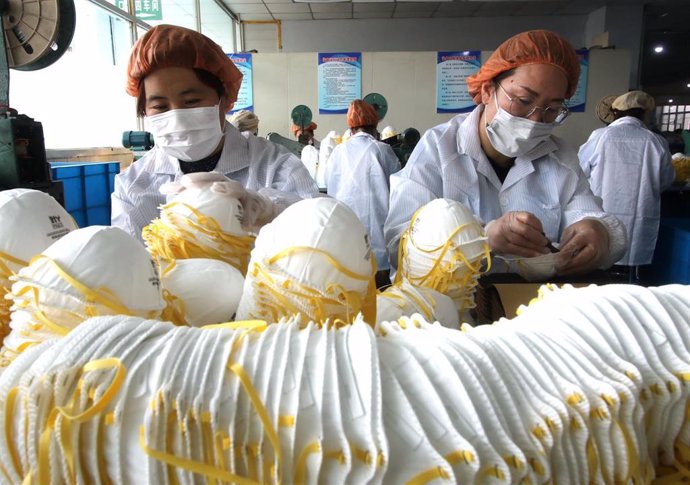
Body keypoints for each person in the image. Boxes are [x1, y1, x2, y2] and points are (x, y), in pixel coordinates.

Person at [384, 30, 626, 277]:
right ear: (488, 90)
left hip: (531, 303)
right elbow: (399, 244)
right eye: (522, 100)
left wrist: (599, 231)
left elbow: (588, 214)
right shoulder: (439, 148)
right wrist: (480, 239)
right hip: (448, 305)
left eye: (552, 109)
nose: (535, 120)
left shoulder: (559, 157)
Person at [112, 25, 319, 241]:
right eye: (161, 107)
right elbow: (128, 264)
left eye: (192, 101)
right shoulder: (132, 186)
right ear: (145, 110)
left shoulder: (275, 166)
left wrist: (268, 210)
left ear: (224, 99)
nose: (178, 116)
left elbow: (322, 226)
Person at [578, 90, 675, 275]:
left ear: (615, 113)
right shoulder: (656, 141)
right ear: (645, 114)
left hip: (602, 210)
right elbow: (666, 180)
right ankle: (631, 281)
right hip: (640, 213)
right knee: (632, 257)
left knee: (601, 254)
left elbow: (580, 171)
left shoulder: (600, 136)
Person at [327, 99, 401, 285]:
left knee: (352, 283)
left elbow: (330, 187)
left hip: (345, 230)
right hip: (379, 229)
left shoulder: (338, 151)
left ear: (351, 128)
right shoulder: (383, 150)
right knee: (381, 289)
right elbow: (399, 188)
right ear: (375, 126)